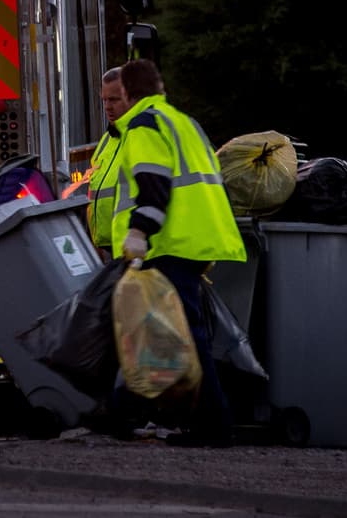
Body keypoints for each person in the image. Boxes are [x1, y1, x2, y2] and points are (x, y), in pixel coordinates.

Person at [110, 59, 247, 448]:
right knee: (179, 335)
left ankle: (212, 427)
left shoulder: (144, 125)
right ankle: (151, 414)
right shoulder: (184, 122)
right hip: (198, 240)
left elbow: (154, 187)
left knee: (183, 339)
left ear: (128, 93)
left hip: (170, 243)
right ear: (161, 86)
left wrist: (139, 232)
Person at [86, 67, 128, 262]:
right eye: (104, 100)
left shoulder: (142, 137)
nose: (108, 107)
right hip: (108, 250)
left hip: (134, 248)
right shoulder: (105, 142)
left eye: (114, 100)